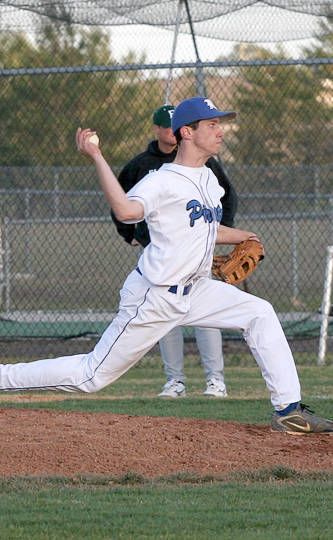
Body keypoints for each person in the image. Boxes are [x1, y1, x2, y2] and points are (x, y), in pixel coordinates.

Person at [0, 97, 333, 435]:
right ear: (187, 131)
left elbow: (204, 226)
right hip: (156, 297)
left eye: (221, 123)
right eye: (212, 123)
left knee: (261, 314)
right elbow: (127, 210)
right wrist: (96, 156)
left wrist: (244, 235)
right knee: (92, 377)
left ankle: (288, 410)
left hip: (197, 289)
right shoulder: (161, 179)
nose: (220, 129)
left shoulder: (210, 180)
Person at [113, 104, 239, 398]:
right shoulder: (143, 165)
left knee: (208, 318)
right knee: (165, 321)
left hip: (196, 256)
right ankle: (175, 381)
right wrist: (129, 235)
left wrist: (220, 232)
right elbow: (120, 202)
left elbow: (228, 196)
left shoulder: (202, 164)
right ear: (157, 129)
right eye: (166, 126)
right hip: (158, 256)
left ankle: (215, 380)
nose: (172, 131)